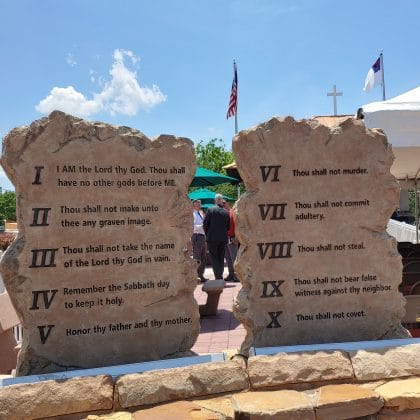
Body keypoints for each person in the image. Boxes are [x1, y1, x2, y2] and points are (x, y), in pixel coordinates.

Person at [203, 194, 230, 280]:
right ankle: (220, 276)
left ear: (215, 200)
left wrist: (208, 233)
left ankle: (218, 277)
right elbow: (228, 227)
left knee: (214, 257)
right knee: (221, 257)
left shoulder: (210, 209)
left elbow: (205, 224)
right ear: (221, 201)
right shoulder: (226, 212)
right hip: (223, 238)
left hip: (212, 238)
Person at [191, 200, 207, 282]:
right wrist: (202, 226)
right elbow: (192, 227)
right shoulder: (192, 214)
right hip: (196, 235)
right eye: (197, 205)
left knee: (203, 257)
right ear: (193, 206)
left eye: (200, 205)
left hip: (203, 236)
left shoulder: (201, 213)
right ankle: (195, 276)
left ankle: (201, 275)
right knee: (197, 257)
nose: (199, 206)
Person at [223, 200, 239, 282]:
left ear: (228, 204)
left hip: (232, 238)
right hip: (225, 238)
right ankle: (231, 274)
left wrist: (236, 237)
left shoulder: (232, 213)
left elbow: (237, 226)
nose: (222, 205)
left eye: (224, 203)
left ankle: (237, 275)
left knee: (234, 258)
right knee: (228, 258)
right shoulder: (223, 213)